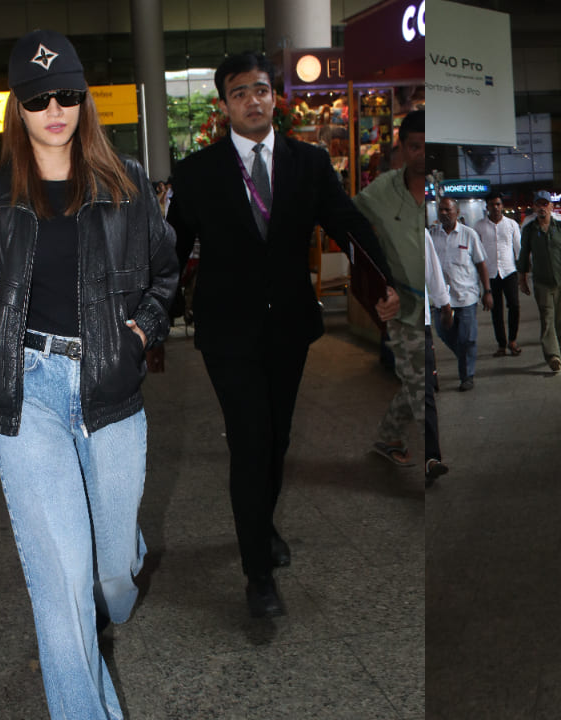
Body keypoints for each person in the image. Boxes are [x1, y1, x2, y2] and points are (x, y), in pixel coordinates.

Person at [0, 29, 178, 720]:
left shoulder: (125, 185)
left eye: (67, 94)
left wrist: (142, 331)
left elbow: (166, 272)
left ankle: (118, 549)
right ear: (19, 106)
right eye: (39, 97)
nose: (55, 108)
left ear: (84, 100)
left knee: (109, 573)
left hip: (109, 390)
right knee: (62, 585)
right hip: (28, 394)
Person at [169, 52, 400, 619]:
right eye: (241, 91)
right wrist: (150, 320)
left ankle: (259, 523)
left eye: (262, 89)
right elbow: (170, 250)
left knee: (276, 441)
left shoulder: (309, 163)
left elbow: (349, 225)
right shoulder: (197, 172)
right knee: (250, 440)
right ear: (224, 105)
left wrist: (380, 286)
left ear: (276, 98)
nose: (253, 99)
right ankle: (258, 574)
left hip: (289, 327)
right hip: (227, 332)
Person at [354, 109, 434, 470]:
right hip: (404, 309)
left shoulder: (446, 187)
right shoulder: (382, 191)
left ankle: (388, 436)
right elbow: (347, 222)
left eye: (428, 147)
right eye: (414, 147)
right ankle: (437, 457)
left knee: (419, 384)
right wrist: (377, 285)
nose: (422, 155)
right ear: (401, 148)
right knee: (419, 387)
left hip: (445, 306)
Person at [517, 190, 561, 372]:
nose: (542, 208)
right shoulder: (529, 229)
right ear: (534, 207)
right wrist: (521, 277)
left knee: (560, 321)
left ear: (552, 207)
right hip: (541, 282)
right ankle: (552, 356)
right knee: (547, 318)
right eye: (538, 204)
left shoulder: (560, 226)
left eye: (545, 204)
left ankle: (557, 351)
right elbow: (523, 254)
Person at [430, 196, 490, 391]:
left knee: (466, 338)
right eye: (441, 210)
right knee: (443, 333)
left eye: (448, 210)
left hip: (466, 297)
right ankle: (466, 356)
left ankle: (467, 376)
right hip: (441, 299)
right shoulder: (431, 236)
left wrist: (487, 291)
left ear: (457, 212)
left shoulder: (469, 235)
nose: (444, 213)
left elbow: (481, 264)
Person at [475, 194, 522, 357]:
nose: (495, 207)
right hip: (491, 274)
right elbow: (476, 253)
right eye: (491, 204)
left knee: (514, 306)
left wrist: (522, 273)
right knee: (496, 311)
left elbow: (518, 249)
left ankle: (513, 340)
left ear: (502, 206)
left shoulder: (511, 224)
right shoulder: (479, 227)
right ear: (486, 207)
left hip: (509, 272)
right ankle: (501, 344)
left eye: (498, 204)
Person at [423, 228, 451, 485]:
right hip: (395, 322)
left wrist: (444, 304)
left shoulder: (422, 235)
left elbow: (433, 273)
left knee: (425, 393)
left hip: (420, 324)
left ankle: (430, 458)